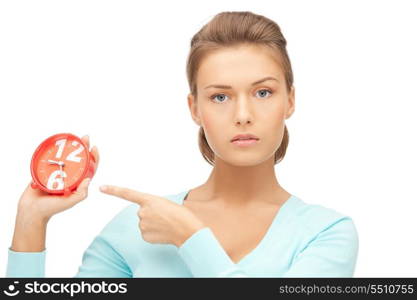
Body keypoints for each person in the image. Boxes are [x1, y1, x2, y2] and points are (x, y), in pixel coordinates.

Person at [6, 11, 359, 278]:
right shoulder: (137, 226)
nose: (243, 114)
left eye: (263, 92)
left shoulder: (326, 234)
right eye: (220, 97)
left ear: (290, 101)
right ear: (195, 109)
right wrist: (29, 223)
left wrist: (190, 237)